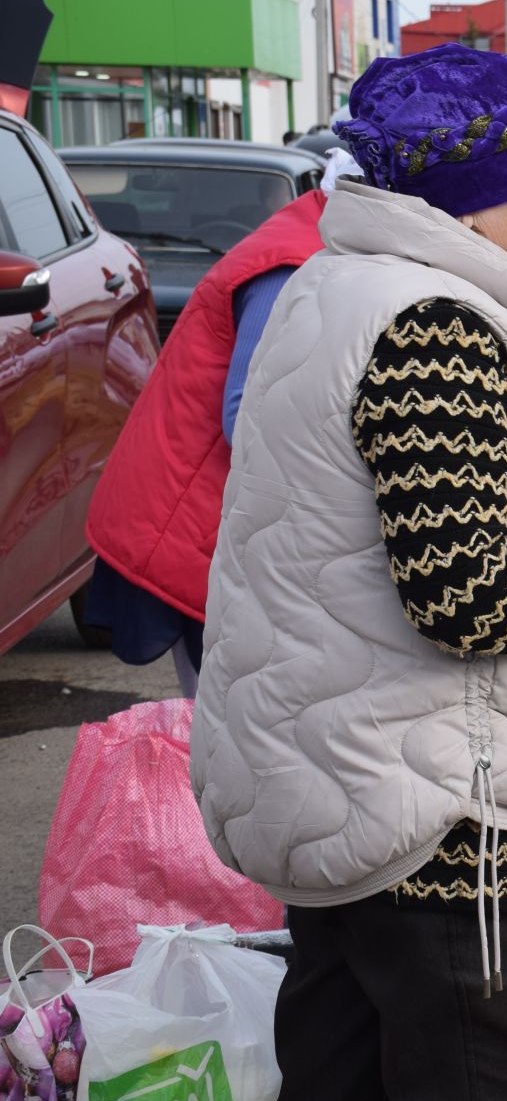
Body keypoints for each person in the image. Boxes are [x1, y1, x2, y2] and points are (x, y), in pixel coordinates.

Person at [192, 44, 507, 1101]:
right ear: (476, 201)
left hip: (350, 781)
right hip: (444, 818)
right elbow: (460, 590)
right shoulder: (436, 332)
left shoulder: (335, 285)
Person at [82, 151, 363, 697]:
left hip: (215, 524)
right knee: (223, 740)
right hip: (199, 524)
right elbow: (247, 418)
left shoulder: (314, 240)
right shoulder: (291, 264)